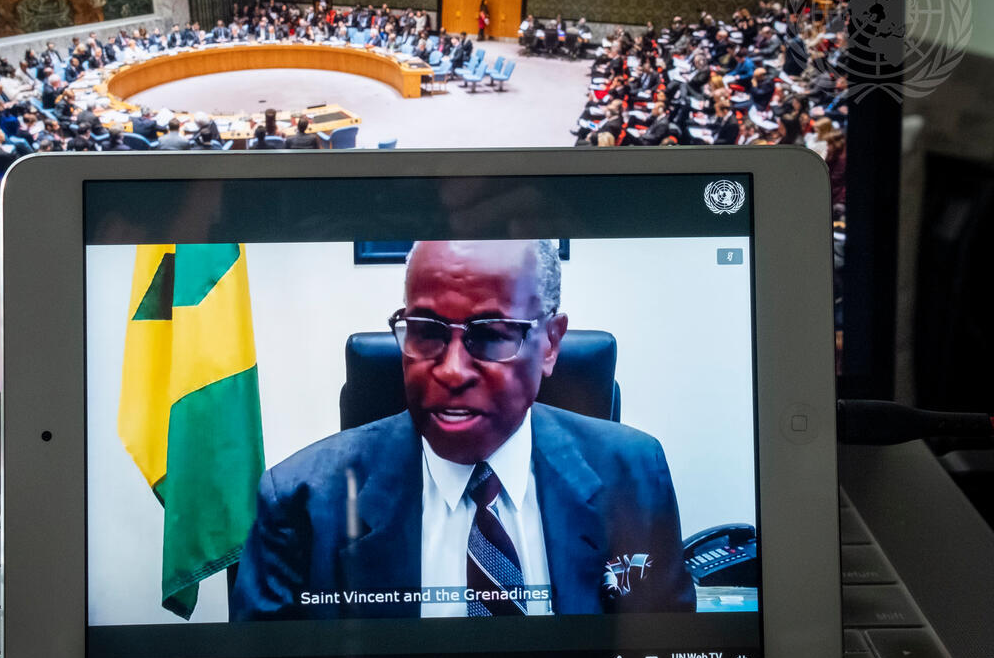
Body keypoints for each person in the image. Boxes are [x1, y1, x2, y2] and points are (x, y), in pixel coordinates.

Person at [231, 239, 694, 620]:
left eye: (491, 334)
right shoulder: (299, 504)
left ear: (551, 343)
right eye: (427, 331)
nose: (452, 370)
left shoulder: (634, 474)